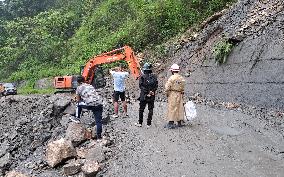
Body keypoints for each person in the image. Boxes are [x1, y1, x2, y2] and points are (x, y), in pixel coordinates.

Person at [135, 63, 158, 128]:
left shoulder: (142, 77)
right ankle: (149, 124)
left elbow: (141, 86)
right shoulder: (154, 77)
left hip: (144, 95)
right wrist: (152, 92)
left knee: (141, 109)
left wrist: (147, 93)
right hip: (152, 95)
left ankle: (140, 123)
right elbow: (156, 86)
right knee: (150, 109)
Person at [164, 64, 186, 129]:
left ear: (172, 71)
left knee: (172, 107)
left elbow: (167, 87)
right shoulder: (181, 78)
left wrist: (167, 93)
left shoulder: (172, 78)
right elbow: (182, 87)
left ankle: (171, 123)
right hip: (180, 94)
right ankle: (179, 122)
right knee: (179, 108)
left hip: (173, 94)